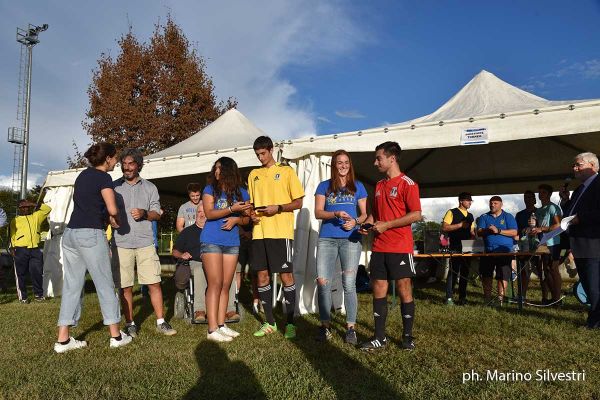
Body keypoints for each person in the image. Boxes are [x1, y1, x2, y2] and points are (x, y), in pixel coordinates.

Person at [54, 142, 132, 353]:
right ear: (107, 158)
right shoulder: (103, 178)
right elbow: (112, 208)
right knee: (105, 284)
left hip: (70, 234)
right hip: (90, 234)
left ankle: (63, 340)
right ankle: (116, 336)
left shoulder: (82, 176)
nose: (116, 161)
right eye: (115, 158)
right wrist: (114, 219)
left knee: (72, 286)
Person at [358, 141, 422, 352]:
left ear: (391, 158)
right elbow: (375, 213)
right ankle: (379, 337)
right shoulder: (378, 185)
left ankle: (407, 337)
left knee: (404, 288)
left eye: (379, 158)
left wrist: (388, 225)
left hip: (400, 246)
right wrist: (367, 224)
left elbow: (416, 214)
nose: (375, 162)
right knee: (378, 288)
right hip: (379, 246)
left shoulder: (408, 184)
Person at [113, 148, 176, 337]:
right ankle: (130, 323)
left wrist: (144, 213)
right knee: (125, 285)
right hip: (120, 242)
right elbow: (106, 212)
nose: (127, 167)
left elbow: (157, 214)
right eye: (124, 164)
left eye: (131, 164)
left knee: (154, 282)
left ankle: (161, 321)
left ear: (139, 165)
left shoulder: (150, 188)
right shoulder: (114, 187)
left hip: (145, 242)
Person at [248, 136, 304, 339]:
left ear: (271, 150)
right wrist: (251, 215)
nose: (260, 157)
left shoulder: (287, 171)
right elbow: (252, 206)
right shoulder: (253, 174)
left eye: (263, 153)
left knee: (286, 276)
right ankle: (270, 322)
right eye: (257, 154)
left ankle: (290, 323)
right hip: (259, 234)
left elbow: (299, 203)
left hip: (281, 233)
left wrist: (278, 208)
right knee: (262, 276)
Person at [314, 150, 367, 344]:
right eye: (339, 162)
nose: (343, 166)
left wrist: (355, 222)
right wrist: (335, 214)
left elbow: (364, 215)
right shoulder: (324, 186)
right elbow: (318, 213)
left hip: (351, 240)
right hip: (327, 239)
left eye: (346, 162)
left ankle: (350, 328)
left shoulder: (358, 186)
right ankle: (325, 326)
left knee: (349, 284)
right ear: (333, 165)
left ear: (349, 165)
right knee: (323, 282)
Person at [200, 157, 252, 342]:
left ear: (229, 171)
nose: (216, 172)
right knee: (214, 283)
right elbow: (209, 213)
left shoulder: (242, 193)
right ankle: (212, 329)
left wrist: (238, 219)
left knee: (226, 285)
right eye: (215, 169)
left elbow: (248, 219)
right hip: (211, 240)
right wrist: (231, 209)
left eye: (220, 169)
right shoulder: (209, 189)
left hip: (232, 243)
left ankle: (221, 325)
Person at [559, 152, 600, 329]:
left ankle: (595, 322)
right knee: (588, 284)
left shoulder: (598, 184)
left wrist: (580, 218)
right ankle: (594, 319)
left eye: (578, 165)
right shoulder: (579, 189)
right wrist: (565, 201)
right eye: (573, 165)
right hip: (579, 243)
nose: (574, 168)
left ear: (592, 166)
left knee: (594, 285)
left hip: (593, 243)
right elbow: (569, 214)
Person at [476, 196, 518, 305]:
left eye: (495, 203)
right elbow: (479, 232)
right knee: (486, 275)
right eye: (491, 203)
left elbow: (514, 232)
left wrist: (498, 230)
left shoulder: (508, 216)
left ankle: (500, 299)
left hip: (504, 251)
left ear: (501, 204)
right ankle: (487, 299)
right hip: (488, 251)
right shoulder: (484, 217)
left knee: (503, 275)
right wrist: (487, 230)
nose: (492, 205)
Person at [10, 198, 52, 303]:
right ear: (19, 208)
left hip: (35, 249)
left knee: (37, 272)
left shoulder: (36, 216)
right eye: (22, 207)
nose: (25, 208)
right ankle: (23, 297)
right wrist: (12, 248)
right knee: (21, 274)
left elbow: (47, 209)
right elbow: (12, 236)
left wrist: (33, 203)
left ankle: (39, 295)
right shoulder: (15, 220)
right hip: (20, 249)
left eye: (27, 206)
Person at [172, 205, 206, 323]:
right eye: (199, 212)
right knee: (200, 270)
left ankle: (229, 309)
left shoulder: (214, 231)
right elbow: (175, 251)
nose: (202, 215)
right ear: (196, 214)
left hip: (213, 261)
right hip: (194, 262)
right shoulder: (187, 232)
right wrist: (182, 255)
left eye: (204, 212)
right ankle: (200, 310)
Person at [531, 184, 562, 305]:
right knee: (546, 270)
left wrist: (542, 229)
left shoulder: (553, 207)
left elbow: (558, 225)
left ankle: (557, 299)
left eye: (543, 192)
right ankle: (553, 297)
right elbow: (537, 227)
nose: (540, 194)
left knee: (553, 269)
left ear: (549, 194)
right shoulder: (538, 210)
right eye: (539, 192)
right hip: (542, 243)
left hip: (554, 242)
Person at [441, 192, 474, 305]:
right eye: (468, 200)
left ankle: (462, 298)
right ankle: (449, 298)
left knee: (465, 272)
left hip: (468, 244)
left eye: (471, 201)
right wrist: (460, 225)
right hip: (455, 244)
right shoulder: (452, 212)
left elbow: (471, 231)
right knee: (454, 271)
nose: (470, 202)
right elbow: (444, 227)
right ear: (461, 201)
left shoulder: (470, 215)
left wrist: (477, 238)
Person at [514, 190, 540, 302]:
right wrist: (524, 230)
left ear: (534, 199)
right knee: (523, 271)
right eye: (525, 197)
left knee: (542, 272)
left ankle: (546, 298)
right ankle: (521, 296)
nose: (527, 199)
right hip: (524, 247)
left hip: (539, 246)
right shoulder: (519, 214)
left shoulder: (540, 212)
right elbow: (516, 232)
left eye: (530, 197)